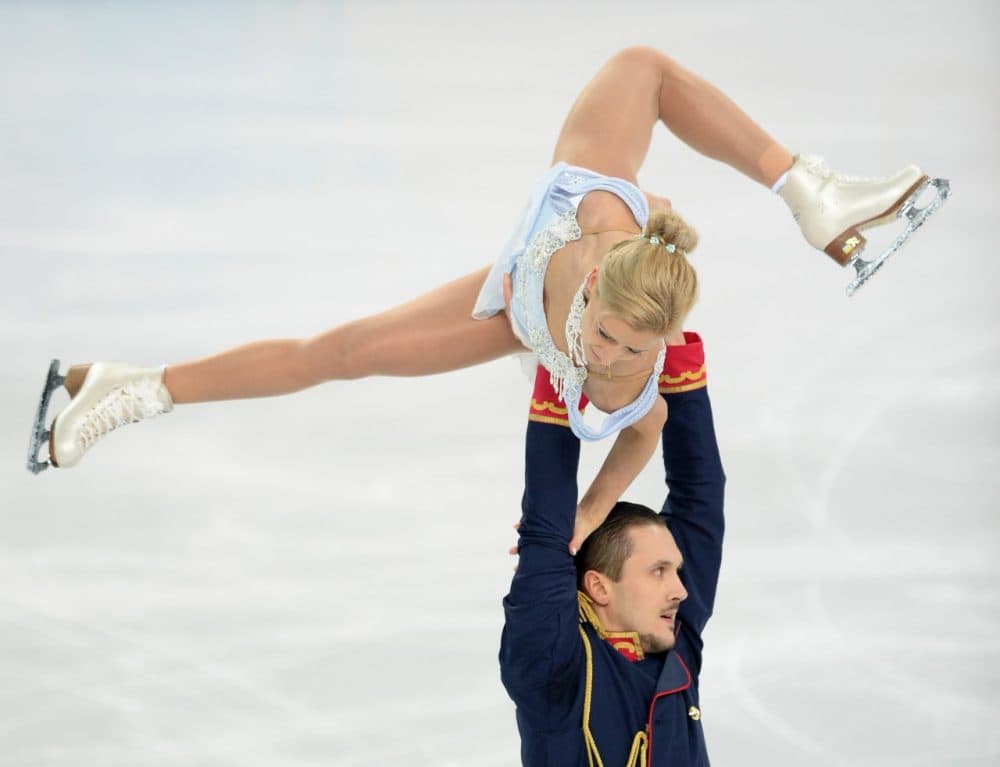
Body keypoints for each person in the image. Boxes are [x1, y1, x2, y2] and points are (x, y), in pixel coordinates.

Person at [27, 46, 944, 544]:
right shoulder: (596, 226)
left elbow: (646, 434)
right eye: (614, 336)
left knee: (343, 360)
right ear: (594, 286)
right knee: (335, 354)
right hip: (539, 257)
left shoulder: (633, 369)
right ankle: (128, 387)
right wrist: (631, 207)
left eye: (635, 351)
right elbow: (638, 117)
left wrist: (589, 513)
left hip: (523, 298)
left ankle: (811, 197)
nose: (612, 359)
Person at [501, 331, 724, 766]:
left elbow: (702, 493)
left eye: (676, 572)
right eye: (658, 571)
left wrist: (668, 328)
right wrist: (561, 349)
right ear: (599, 587)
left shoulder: (672, 640)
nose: (681, 591)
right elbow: (548, 524)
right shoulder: (554, 669)